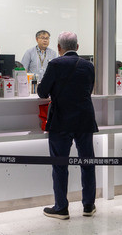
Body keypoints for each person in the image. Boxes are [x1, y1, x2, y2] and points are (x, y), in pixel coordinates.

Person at [37, 31, 97, 220]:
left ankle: (61, 207)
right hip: (85, 120)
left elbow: (42, 92)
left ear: (59, 47)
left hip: (61, 121)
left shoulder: (55, 64)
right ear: (77, 47)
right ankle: (88, 205)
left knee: (60, 164)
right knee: (87, 163)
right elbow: (89, 89)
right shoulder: (89, 65)